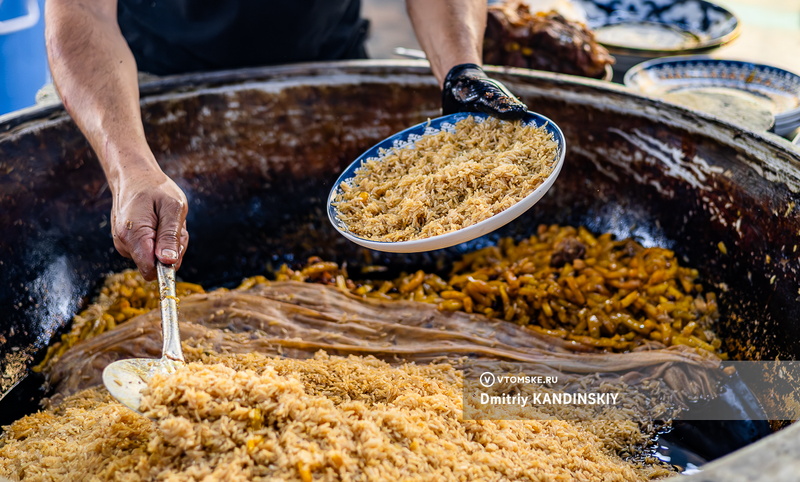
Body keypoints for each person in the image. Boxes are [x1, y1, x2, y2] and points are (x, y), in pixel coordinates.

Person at [44, 0, 528, 281]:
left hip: (331, 70)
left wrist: (460, 73)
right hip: (141, 91)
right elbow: (81, 10)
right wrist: (129, 166)